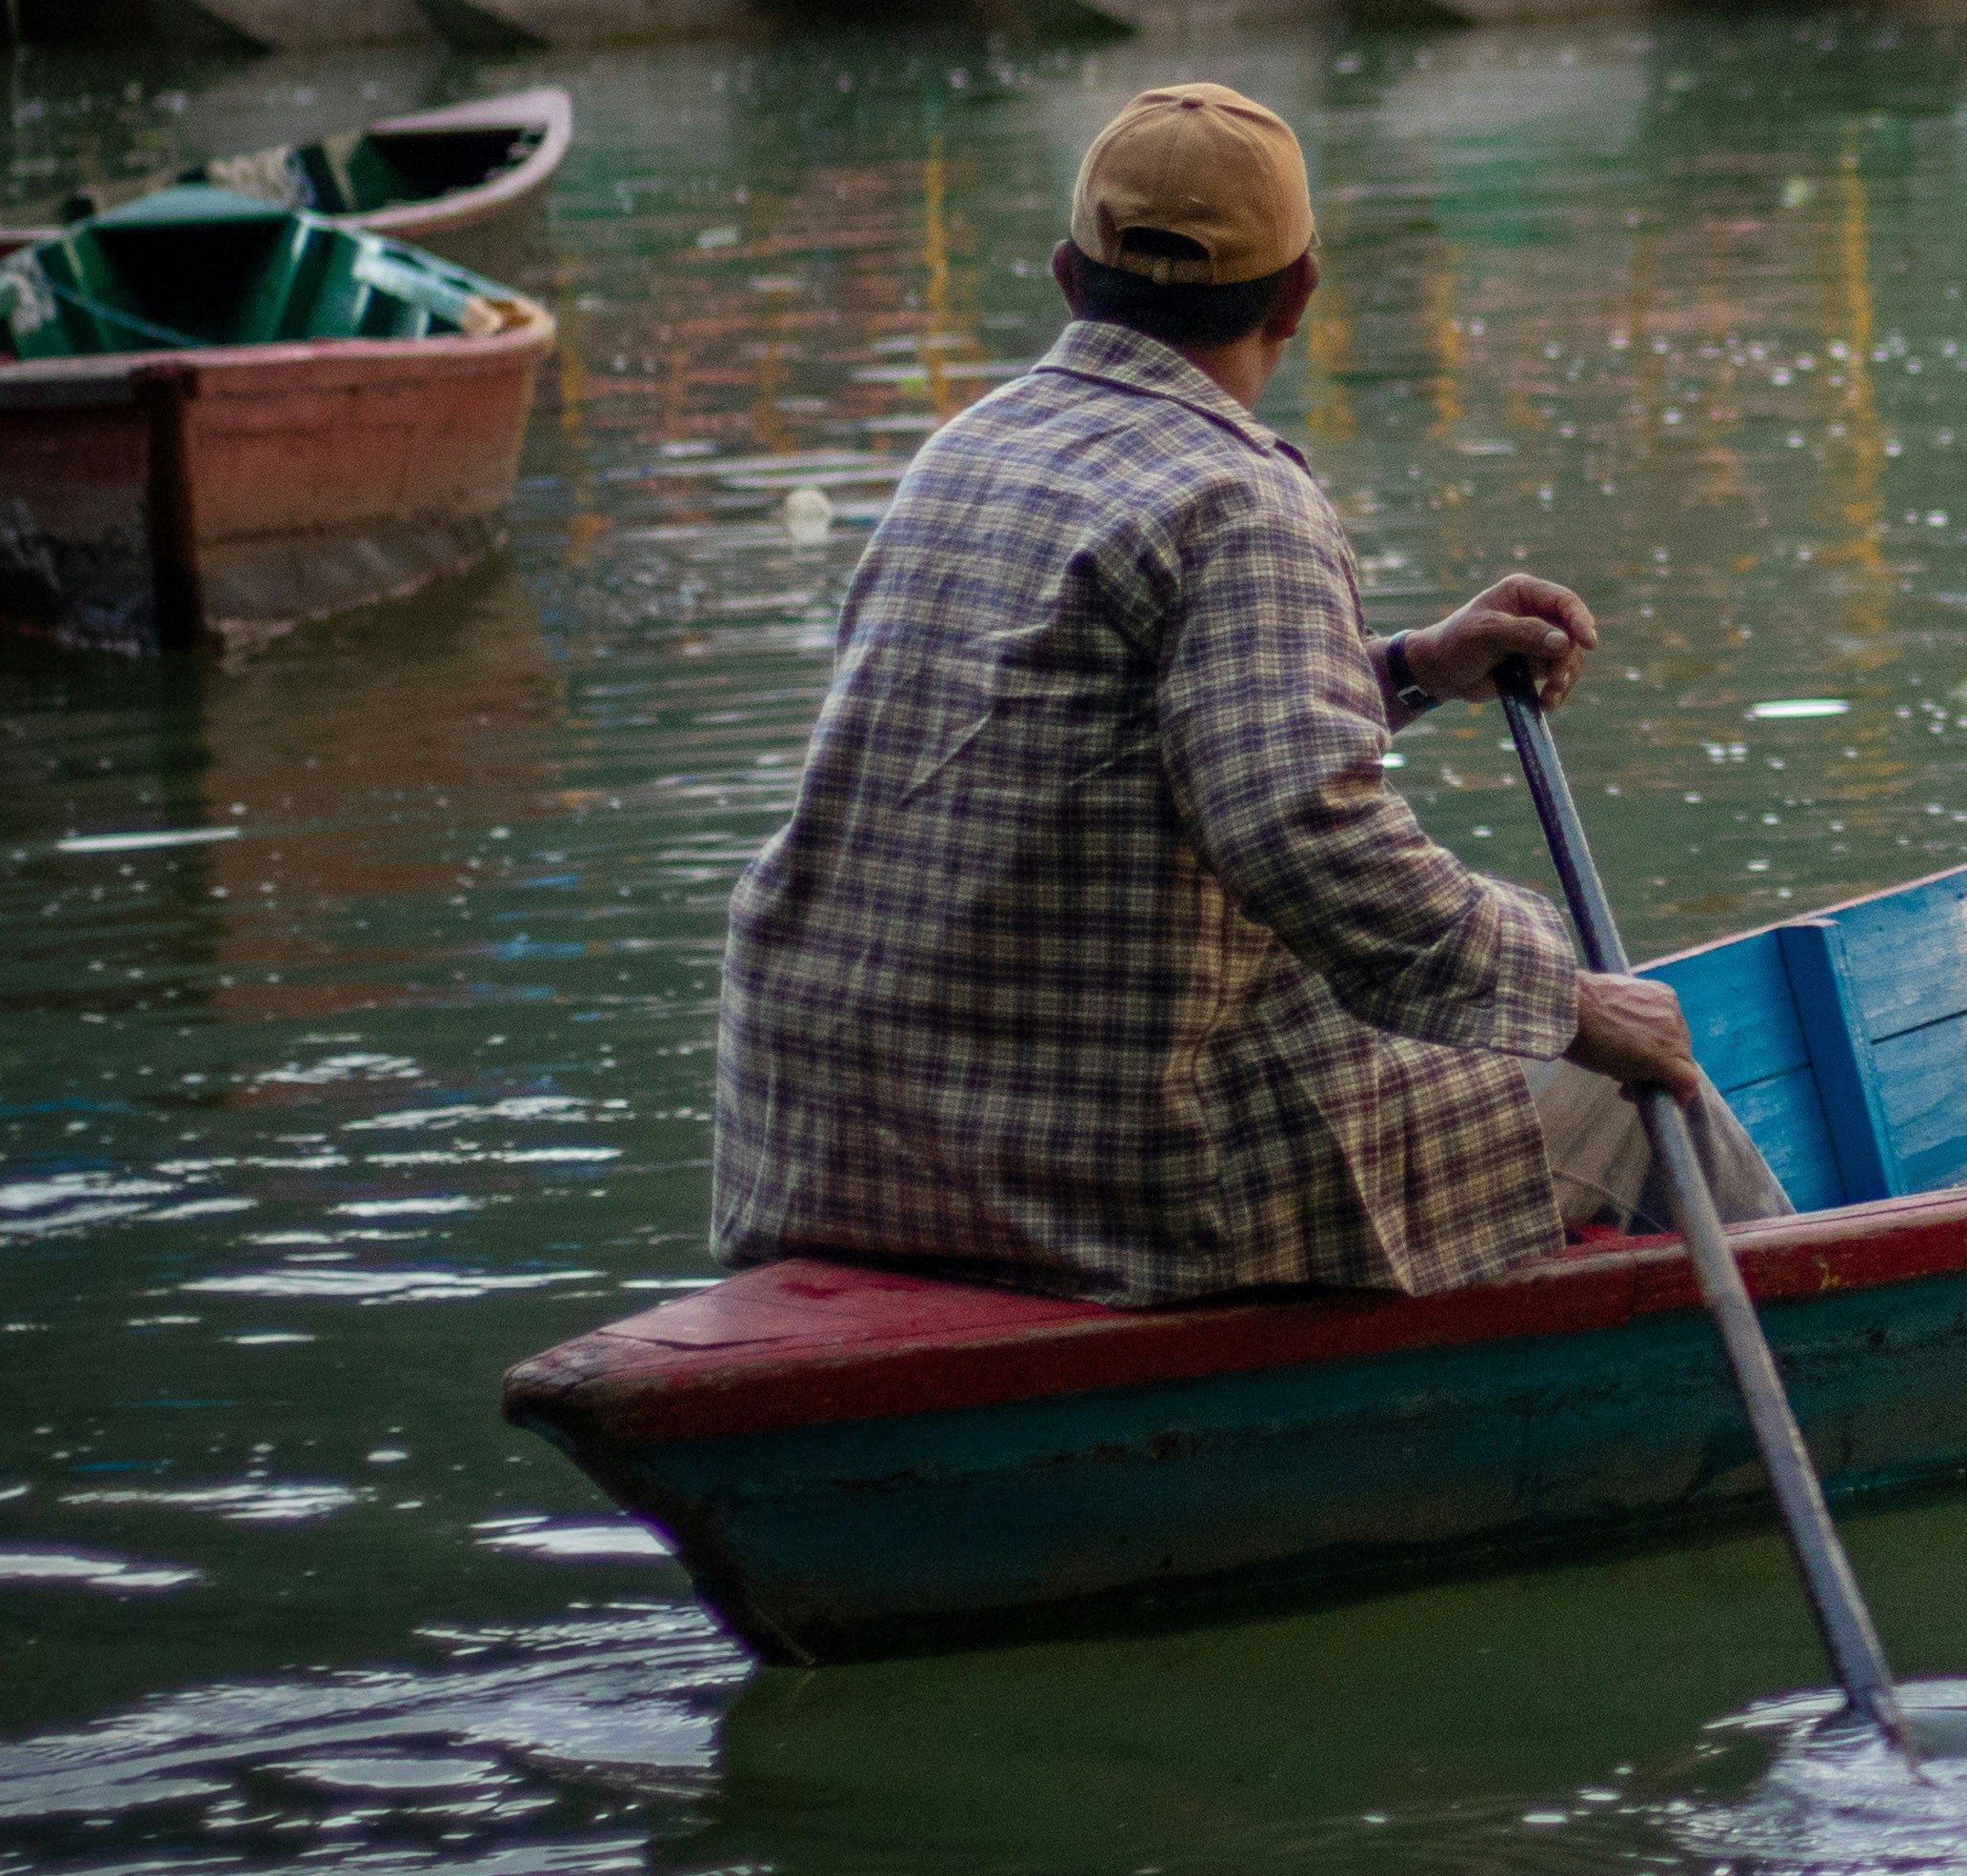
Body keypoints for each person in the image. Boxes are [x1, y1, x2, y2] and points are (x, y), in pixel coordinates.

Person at [714, 80, 1781, 1307]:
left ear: (1069, 277)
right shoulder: (1240, 498)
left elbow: (1111, 743)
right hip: (1107, 1175)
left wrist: (1410, 671)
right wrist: (1564, 1000)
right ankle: (1829, 1358)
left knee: (1433, 1023)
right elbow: (1299, 830)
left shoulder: (969, 447)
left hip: (825, 1143)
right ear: (1298, 295)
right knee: (1632, 1087)